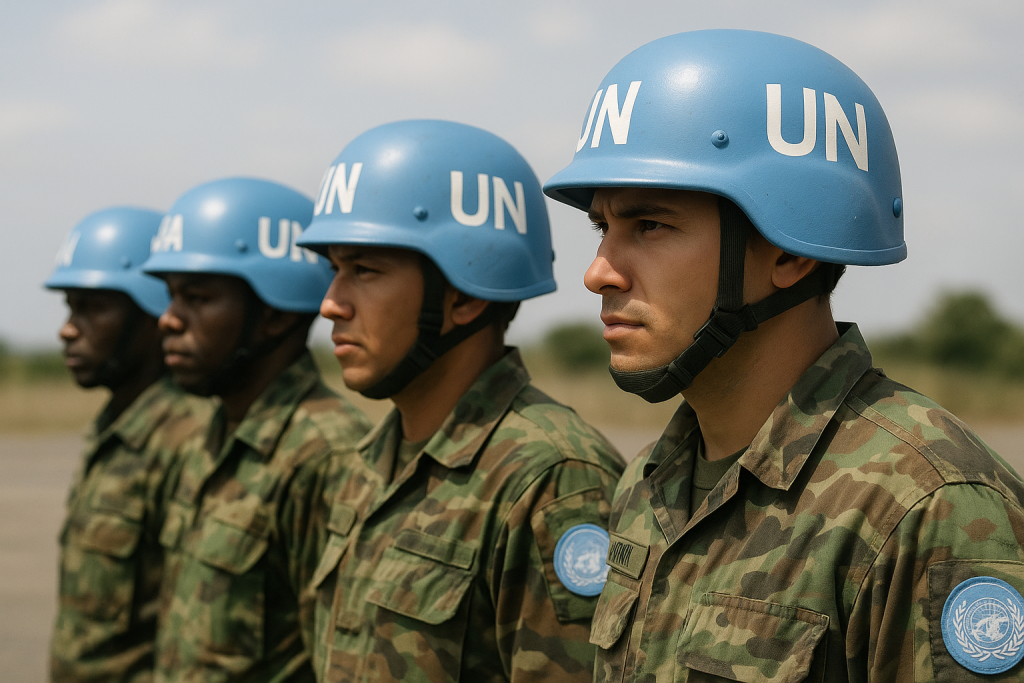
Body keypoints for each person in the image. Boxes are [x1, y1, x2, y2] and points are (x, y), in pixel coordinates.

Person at [543, 29, 1024, 682]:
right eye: (604, 228)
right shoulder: (650, 483)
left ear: (790, 250)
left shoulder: (928, 505)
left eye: (649, 225)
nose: (599, 272)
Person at [294, 119, 626, 682]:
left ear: (466, 294)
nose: (331, 304)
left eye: (365, 271)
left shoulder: (552, 480)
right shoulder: (369, 463)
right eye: (334, 271)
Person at [141, 177, 372, 682]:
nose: (168, 320)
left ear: (272, 313)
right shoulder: (209, 433)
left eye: (197, 298)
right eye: (171, 296)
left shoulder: (328, 456)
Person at [44, 207, 212, 682]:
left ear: (154, 316)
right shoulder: (116, 426)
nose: (68, 328)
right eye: (70, 306)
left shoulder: (189, 439)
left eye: (93, 307)